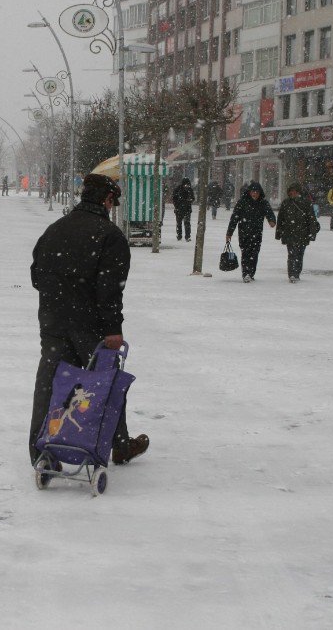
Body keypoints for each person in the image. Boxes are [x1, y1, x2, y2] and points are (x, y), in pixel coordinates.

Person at [29, 173, 149, 466]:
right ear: (107, 200)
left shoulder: (55, 229)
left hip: (54, 321)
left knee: (50, 385)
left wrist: (60, 299)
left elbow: (37, 275)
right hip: (92, 326)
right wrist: (112, 329)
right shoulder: (110, 236)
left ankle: (40, 452)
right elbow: (110, 289)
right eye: (112, 201)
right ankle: (118, 445)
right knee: (104, 384)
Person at [226, 181, 276, 283]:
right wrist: (229, 233)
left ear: (260, 193)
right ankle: (246, 273)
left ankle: (251, 273)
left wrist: (272, 220)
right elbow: (234, 218)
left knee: (255, 253)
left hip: (257, 233)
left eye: (257, 192)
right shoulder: (242, 202)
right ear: (249, 192)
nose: (255, 194)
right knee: (245, 253)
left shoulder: (263, 203)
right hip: (244, 233)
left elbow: (269, 213)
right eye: (253, 192)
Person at [275, 183, 320, 283]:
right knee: (292, 254)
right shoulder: (286, 203)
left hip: (303, 233)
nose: (293, 193)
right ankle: (292, 274)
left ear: (299, 192)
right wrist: (278, 233)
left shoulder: (306, 203)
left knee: (299, 254)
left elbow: (311, 219)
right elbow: (281, 219)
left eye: (295, 191)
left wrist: (312, 233)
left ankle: (297, 273)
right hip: (289, 232)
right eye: (292, 191)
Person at [171, 177, 195, 241]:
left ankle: (187, 236)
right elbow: (174, 198)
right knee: (179, 223)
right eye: (185, 184)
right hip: (179, 208)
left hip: (187, 209)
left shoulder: (190, 190)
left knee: (187, 223)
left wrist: (190, 200)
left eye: (188, 184)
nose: (186, 186)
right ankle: (179, 235)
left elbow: (193, 198)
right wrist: (177, 205)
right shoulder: (178, 189)